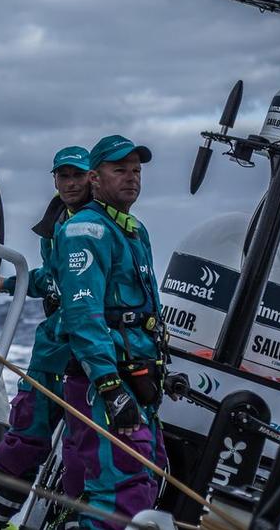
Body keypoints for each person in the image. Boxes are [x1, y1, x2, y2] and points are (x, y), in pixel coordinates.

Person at [0, 146, 91, 529]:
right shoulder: (56, 224)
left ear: (93, 178)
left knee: (81, 455)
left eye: (78, 175)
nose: (70, 183)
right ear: (54, 180)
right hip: (50, 352)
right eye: (63, 176)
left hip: (87, 360)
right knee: (23, 440)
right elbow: (54, 278)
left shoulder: (101, 228)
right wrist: (10, 283)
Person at [52, 135, 168, 529]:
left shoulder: (135, 231)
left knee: (146, 479)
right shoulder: (86, 231)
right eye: (120, 170)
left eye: (136, 171)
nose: (132, 178)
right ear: (95, 179)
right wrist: (110, 387)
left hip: (138, 378)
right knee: (122, 494)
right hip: (106, 383)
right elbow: (83, 316)